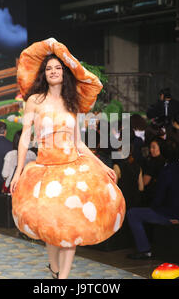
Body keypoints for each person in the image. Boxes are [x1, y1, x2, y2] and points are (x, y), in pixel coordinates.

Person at [10, 38, 125, 279]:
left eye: (58, 68)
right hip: (44, 169)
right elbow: (24, 138)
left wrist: (102, 165)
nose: (53, 72)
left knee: (69, 227)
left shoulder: (72, 103)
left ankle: (62, 279)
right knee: (52, 225)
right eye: (49, 68)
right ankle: (53, 268)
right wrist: (18, 171)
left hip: (72, 170)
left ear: (65, 73)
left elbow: (78, 143)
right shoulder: (34, 101)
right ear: (44, 73)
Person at [127, 138, 179, 259]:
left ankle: (144, 249)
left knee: (133, 213)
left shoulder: (166, 170)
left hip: (169, 214)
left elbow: (159, 197)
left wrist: (153, 207)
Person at [113, 144, 144, 209]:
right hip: (135, 203)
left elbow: (113, 188)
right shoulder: (138, 167)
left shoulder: (117, 167)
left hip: (121, 203)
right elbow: (141, 188)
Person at [141, 136, 166, 206]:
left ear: (160, 147)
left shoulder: (152, 163)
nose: (151, 150)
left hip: (151, 196)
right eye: (150, 147)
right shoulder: (166, 160)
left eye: (154, 147)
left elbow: (145, 182)